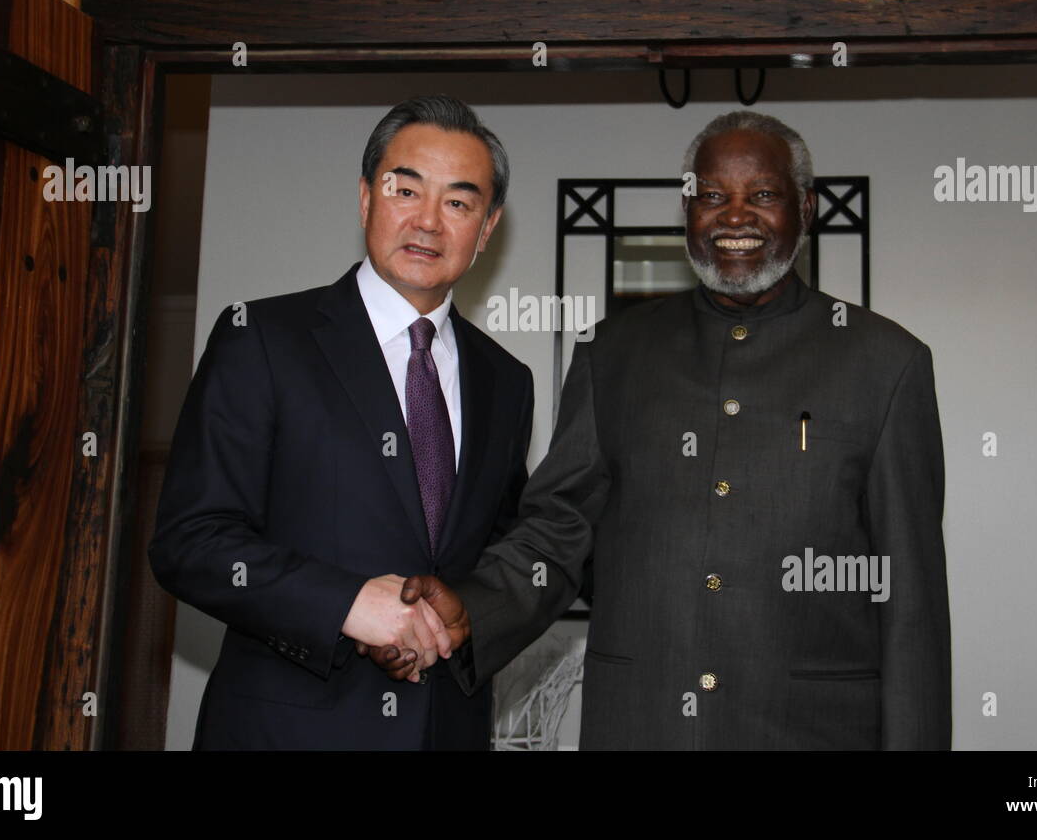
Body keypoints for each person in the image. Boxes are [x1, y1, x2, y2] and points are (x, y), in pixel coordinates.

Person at [363, 111, 951, 749]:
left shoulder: (886, 363)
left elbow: (911, 605)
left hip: (810, 730)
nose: (734, 216)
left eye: (762, 195)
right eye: (712, 196)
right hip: (641, 724)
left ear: (805, 208)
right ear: (687, 210)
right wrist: (468, 613)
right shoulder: (612, 354)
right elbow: (557, 535)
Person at [149, 95, 534, 749]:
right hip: (285, 730)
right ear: (365, 198)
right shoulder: (263, 339)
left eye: (459, 203)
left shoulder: (507, 381)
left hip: (447, 730)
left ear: (487, 227)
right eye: (405, 190)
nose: (429, 223)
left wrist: (464, 614)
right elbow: (190, 540)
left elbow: (502, 554)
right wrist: (348, 604)